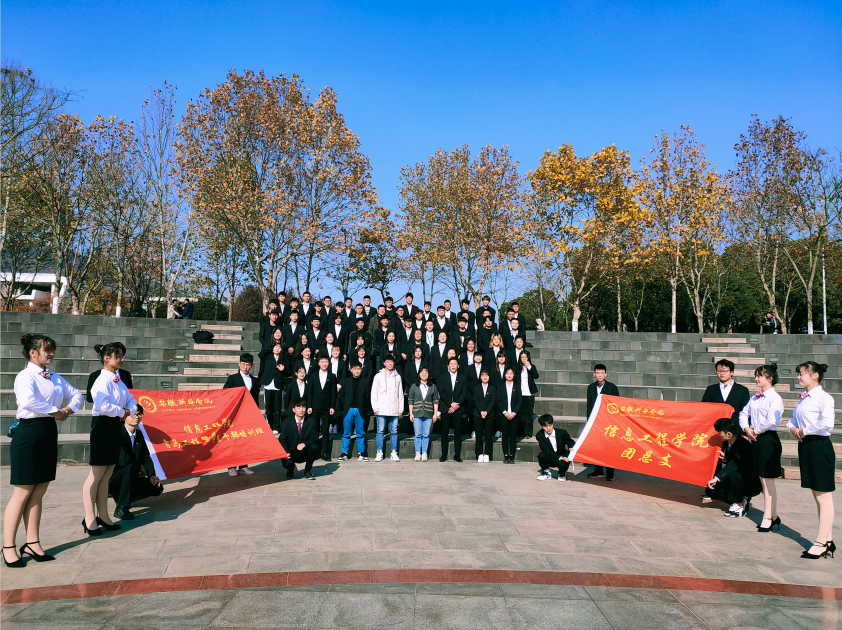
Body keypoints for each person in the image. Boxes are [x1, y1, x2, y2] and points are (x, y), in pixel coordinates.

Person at [4, 334, 81, 567]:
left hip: (48, 432)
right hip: (28, 433)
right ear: (32, 353)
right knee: (22, 492)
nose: (51, 354)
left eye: (52, 349)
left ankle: (33, 542)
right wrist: (55, 411)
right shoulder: (25, 376)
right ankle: (8, 546)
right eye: (47, 350)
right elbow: (28, 402)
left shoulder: (54, 377)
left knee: (39, 491)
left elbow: (77, 394)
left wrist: (68, 410)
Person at [84, 343, 138, 535]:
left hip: (115, 426)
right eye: (119, 356)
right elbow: (102, 405)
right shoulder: (101, 380)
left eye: (123, 356)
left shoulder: (118, 380)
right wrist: (123, 412)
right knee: (96, 475)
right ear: (106, 358)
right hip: (102, 427)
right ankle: (89, 518)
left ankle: (104, 516)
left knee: (106, 475)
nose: (122, 359)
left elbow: (130, 399)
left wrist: (129, 409)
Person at [787, 361, 836, 559]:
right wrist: (792, 428)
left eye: (802, 374)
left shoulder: (825, 398)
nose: (799, 377)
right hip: (806, 446)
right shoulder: (804, 399)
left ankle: (821, 543)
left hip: (819, 446)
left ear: (815, 375)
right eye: (798, 374)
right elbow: (793, 419)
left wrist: (804, 430)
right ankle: (828, 540)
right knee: (817, 495)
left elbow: (827, 423)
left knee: (823, 496)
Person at [739, 364, 784, 532]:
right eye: (756, 375)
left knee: (768, 480)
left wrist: (756, 431)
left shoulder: (775, 398)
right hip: (756, 439)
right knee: (764, 480)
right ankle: (774, 515)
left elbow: (772, 420)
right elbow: (743, 413)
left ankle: (767, 518)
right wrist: (747, 428)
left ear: (770, 378)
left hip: (768, 440)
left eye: (760, 376)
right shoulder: (755, 397)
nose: (756, 379)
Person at [108, 406, 163, 520]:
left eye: (139, 414)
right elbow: (123, 459)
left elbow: (146, 457)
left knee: (157, 488)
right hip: (114, 478)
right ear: (124, 416)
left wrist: (151, 475)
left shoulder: (140, 435)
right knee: (132, 466)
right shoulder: (117, 433)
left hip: (132, 474)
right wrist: (139, 468)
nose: (136, 417)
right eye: (132, 414)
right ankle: (121, 507)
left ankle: (123, 498)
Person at [706, 417, 762, 517]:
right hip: (738, 475)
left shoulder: (743, 445)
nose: (718, 435)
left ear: (729, 434)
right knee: (713, 492)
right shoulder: (729, 442)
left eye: (720, 432)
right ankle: (738, 499)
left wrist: (717, 478)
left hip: (748, 481)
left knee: (733, 475)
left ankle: (740, 504)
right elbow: (733, 461)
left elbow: (735, 463)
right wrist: (725, 458)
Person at [222, 353, 260, 476]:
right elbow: (225, 394)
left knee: (246, 441)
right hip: (235, 415)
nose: (245, 367)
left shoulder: (255, 381)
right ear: (239, 364)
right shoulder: (233, 379)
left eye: (247, 365)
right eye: (243, 364)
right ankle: (231, 467)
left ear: (251, 365)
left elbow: (256, 400)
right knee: (233, 441)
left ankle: (244, 466)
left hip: (248, 415)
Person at [586, 364, 620, 481]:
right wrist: (589, 422)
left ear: (605, 374)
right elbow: (589, 405)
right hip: (595, 422)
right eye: (597, 373)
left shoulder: (612, 388)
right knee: (597, 447)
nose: (600, 375)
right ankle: (598, 470)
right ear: (594, 374)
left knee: (609, 447)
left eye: (602, 373)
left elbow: (616, 405)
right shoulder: (591, 387)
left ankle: (610, 472)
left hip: (608, 422)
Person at [371, 354, 404, 462]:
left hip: (394, 408)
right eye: (388, 362)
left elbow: (400, 394)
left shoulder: (397, 377)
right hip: (382, 408)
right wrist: (375, 407)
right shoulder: (378, 376)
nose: (390, 364)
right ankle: (379, 452)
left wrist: (400, 409)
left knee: (394, 431)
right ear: (384, 363)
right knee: (380, 431)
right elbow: (374, 393)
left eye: (391, 362)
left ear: (394, 363)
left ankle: (394, 452)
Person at [702, 359, 751, 430]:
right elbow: (705, 408)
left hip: (736, 429)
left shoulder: (742, 390)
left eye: (724, 371)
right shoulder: (711, 389)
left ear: (731, 372)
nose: (722, 373)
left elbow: (746, 411)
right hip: (715, 428)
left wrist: (745, 430)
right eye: (719, 371)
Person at [306, 354, 337, 461]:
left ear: (328, 363)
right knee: (314, 430)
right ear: (318, 363)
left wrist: (332, 407)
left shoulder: (332, 376)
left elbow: (334, 394)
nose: (324, 364)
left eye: (326, 362)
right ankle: (314, 452)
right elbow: (309, 392)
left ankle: (325, 452)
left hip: (327, 407)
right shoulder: (313, 376)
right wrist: (309, 406)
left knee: (325, 431)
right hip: (315, 406)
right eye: (322, 362)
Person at [338, 362, 371, 461]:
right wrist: (346, 406)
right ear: (351, 370)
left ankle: (361, 453)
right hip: (349, 409)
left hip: (360, 409)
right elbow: (342, 395)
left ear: (361, 370)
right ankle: (344, 453)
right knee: (346, 432)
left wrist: (363, 407)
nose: (357, 371)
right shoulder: (346, 381)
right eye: (354, 369)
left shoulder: (365, 382)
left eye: (358, 369)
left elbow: (367, 397)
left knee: (360, 432)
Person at [279, 398, 318, 480]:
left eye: (303, 407)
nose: (301, 410)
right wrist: (286, 452)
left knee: (314, 447)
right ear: (293, 409)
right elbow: (282, 439)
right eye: (298, 407)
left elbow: (314, 437)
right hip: (291, 452)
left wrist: (305, 444)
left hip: (304, 451)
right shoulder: (286, 423)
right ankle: (290, 470)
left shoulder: (311, 422)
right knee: (288, 464)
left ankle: (307, 471)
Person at [438, 358, 466, 462]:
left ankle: (457, 455)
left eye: (455, 364)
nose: (453, 365)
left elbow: (464, 393)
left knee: (457, 432)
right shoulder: (442, 377)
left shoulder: (463, 377)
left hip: (458, 409)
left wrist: (456, 405)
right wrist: (451, 404)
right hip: (446, 408)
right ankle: (443, 454)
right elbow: (442, 392)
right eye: (451, 364)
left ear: (458, 366)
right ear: (448, 366)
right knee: (444, 432)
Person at [408, 366, 439, 461]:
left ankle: (424, 453)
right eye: (422, 372)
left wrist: (435, 413)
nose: (424, 374)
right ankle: (417, 453)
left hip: (428, 413)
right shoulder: (414, 386)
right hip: (416, 413)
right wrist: (411, 413)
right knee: (417, 434)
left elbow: (436, 400)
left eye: (426, 372)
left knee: (426, 434)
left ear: (428, 374)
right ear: (419, 374)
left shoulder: (432, 386)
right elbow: (410, 400)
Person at [536, 414, 575, 482]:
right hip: (550, 456)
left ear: (553, 423)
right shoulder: (540, 435)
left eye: (550, 425)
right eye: (545, 426)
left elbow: (571, 442)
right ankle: (546, 472)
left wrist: (571, 447)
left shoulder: (562, 432)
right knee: (541, 456)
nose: (548, 428)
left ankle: (562, 473)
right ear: (541, 426)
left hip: (562, 454)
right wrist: (559, 458)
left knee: (563, 464)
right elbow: (546, 450)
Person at [261, 343, 288, 435]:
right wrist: (270, 349)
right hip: (268, 384)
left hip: (278, 385)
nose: (277, 348)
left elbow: (288, 372)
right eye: (276, 347)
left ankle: (276, 427)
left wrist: (283, 370)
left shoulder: (283, 359)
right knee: (268, 407)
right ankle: (269, 424)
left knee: (277, 407)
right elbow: (260, 354)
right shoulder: (268, 357)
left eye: (279, 347)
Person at [497, 367, 521, 464]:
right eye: (507, 373)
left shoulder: (517, 386)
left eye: (511, 373)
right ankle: (506, 455)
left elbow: (519, 401)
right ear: (505, 375)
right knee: (505, 435)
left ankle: (512, 455)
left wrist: (514, 413)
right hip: (504, 415)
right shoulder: (501, 386)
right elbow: (498, 400)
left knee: (513, 435)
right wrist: (505, 412)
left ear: (514, 375)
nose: (509, 375)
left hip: (514, 415)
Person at [472, 369, 496, 462]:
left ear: (489, 377)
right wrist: (481, 411)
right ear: (480, 377)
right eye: (483, 375)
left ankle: (487, 454)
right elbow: (476, 400)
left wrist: (486, 411)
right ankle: (479, 453)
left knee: (488, 435)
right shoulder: (477, 387)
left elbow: (492, 401)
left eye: (486, 375)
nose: (485, 377)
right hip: (478, 414)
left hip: (489, 415)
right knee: (478, 435)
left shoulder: (492, 388)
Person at [517, 350, 539, 440]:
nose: (523, 359)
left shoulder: (531, 366)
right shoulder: (517, 367)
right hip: (520, 393)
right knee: (520, 414)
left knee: (528, 414)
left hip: (529, 393)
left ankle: (528, 433)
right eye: (522, 357)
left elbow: (536, 376)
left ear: (528, 358)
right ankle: (521, 433)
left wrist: (529, 366)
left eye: (525, 357)